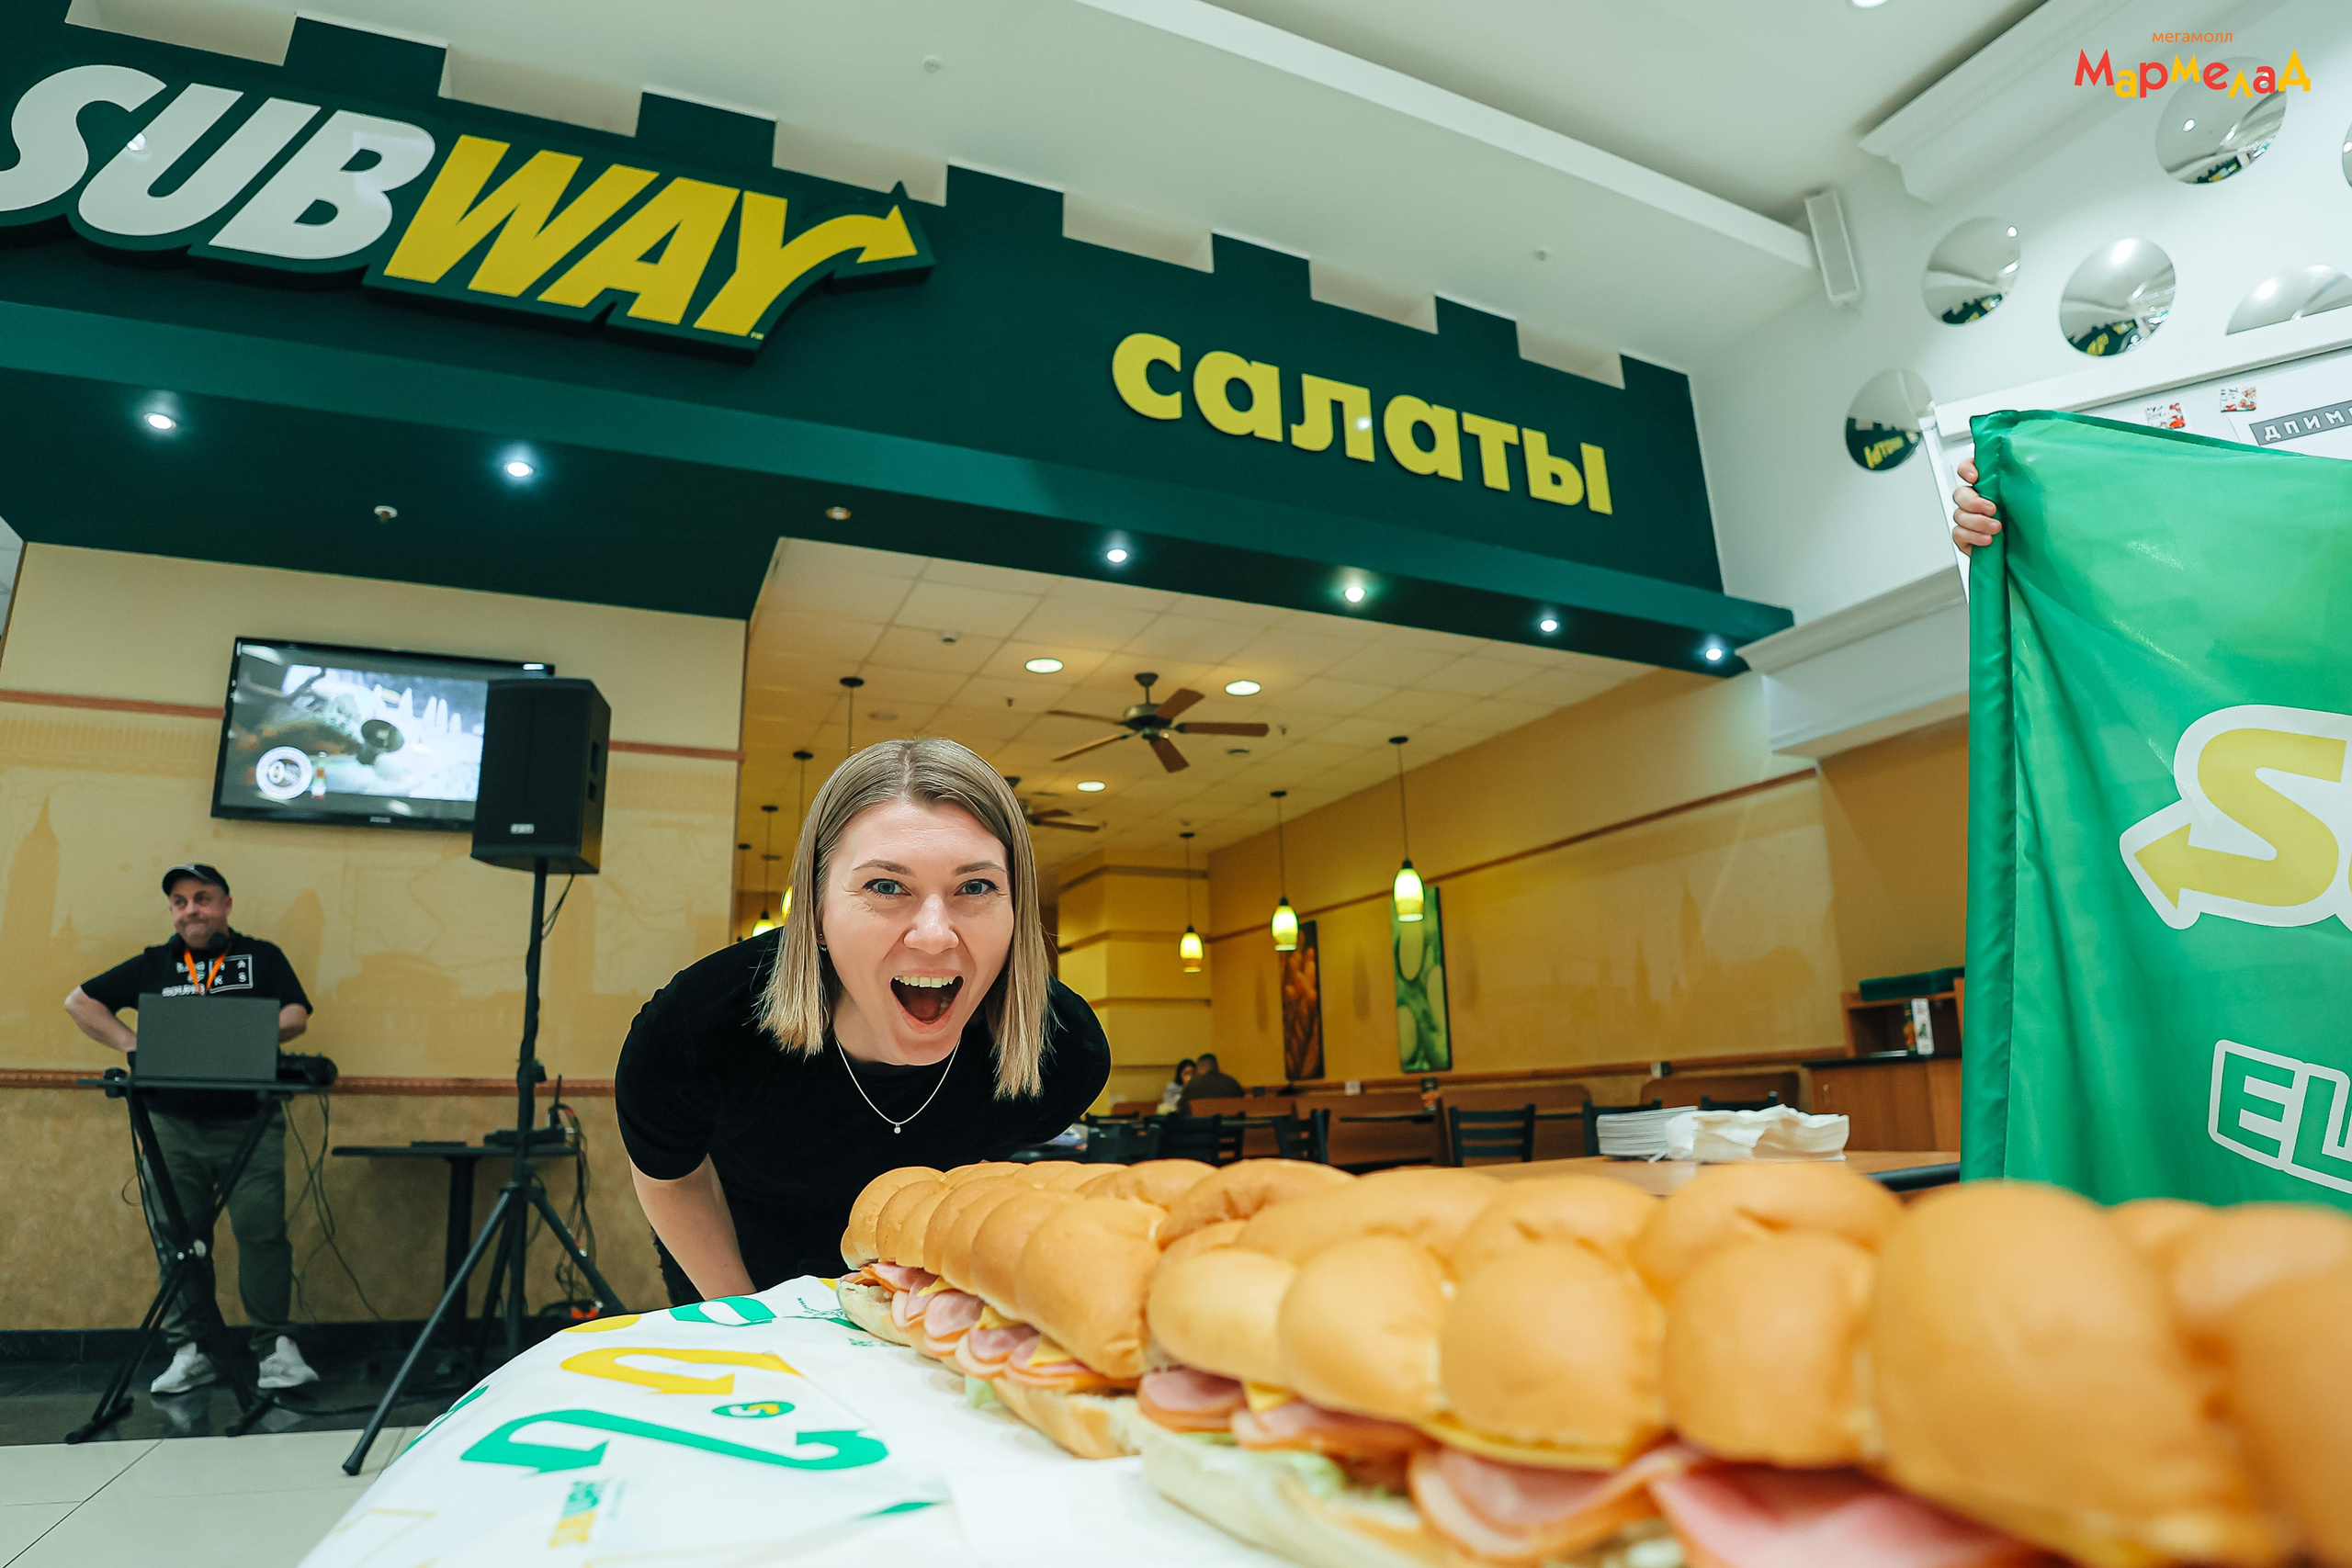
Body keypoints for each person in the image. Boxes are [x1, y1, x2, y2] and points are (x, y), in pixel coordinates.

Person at [617, 738, 1112, 1303]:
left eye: (975, 887)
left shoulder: (1062, 1052)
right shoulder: (700, 1027)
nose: (934, 934)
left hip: (918, 1284)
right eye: (885, 887)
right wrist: (749, 1318)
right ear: (816, 911)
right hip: (738, 1267)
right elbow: (671, 1175)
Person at [64, 863, 321, 1396]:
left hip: (250, 1122)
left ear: (226, 904)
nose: (190, 910)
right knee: (179, 1241)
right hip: (171, 1125)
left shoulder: (261, 957)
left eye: (202, 898)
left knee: (262, 1234)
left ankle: (275, 1348)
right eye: (180, 902)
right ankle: (191, 1351)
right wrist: (132, 1044)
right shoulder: (155, 963)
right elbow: (80, 1002)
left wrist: (232, 1034)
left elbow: (296, 1015)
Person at [1178, 1051, 1244, 1107]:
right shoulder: (1232, 1083)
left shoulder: (1193, 1084)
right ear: (1217, 1067)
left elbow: (1181, 1107)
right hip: (1230, 1121)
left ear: (1199, 1068)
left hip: (1201, 1121)